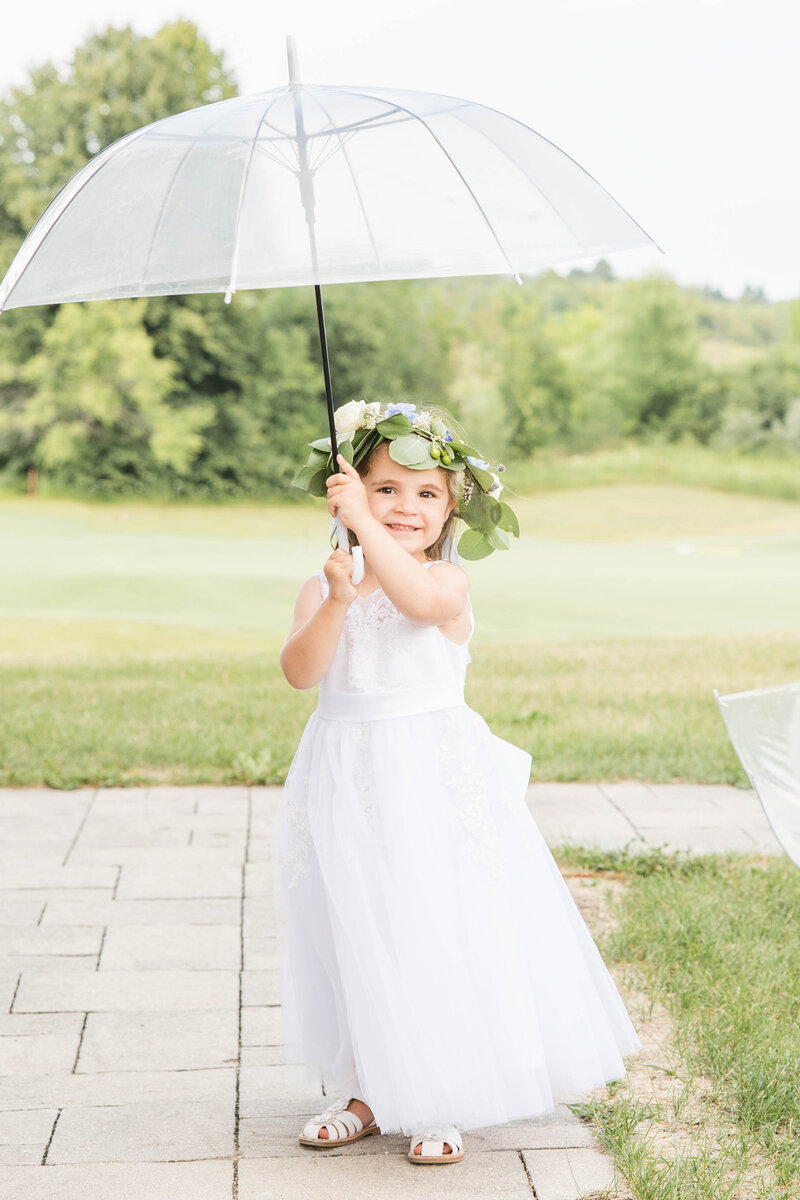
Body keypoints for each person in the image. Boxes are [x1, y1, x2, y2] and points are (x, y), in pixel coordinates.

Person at [273, 401, 641, 1167]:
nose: (405, 507)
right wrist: (339, 598)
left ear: (452, 508)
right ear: (348, 490)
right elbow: (301, 672)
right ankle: (366, 1088)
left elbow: (417, 602)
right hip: (344, 777)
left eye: (425, 495)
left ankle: (439, 1095)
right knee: (353, 927)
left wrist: (365, 530)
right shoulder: (326, 583)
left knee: (432, 924)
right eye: (383, 490)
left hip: (428, 778)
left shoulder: (446, 582)